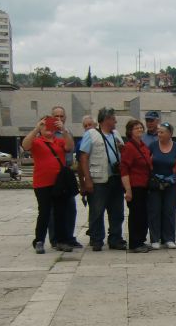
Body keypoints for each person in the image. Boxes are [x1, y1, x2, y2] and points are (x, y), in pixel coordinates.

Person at [22, 110, 75, 254]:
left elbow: (70, 147)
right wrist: (36, 128)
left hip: (59, 183)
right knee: (44, 212)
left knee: (60, 212)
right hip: (42, 183)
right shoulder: (37, 141)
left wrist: (63, 129)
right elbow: (25, 145)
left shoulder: (59, 140)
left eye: (49, 125)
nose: (47, 128)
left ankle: (61, 240)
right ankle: (39, 240)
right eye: (45, 125)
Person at [78, 107, 125, 252]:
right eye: (113, 118)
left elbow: (123, 152)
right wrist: (87, 180)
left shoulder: (116, 134)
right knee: (97, 211)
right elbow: (83, 158)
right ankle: (97, 239)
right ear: (106, 120)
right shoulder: (91, 134)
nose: (115, 121)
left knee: (117, 211)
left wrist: (122, 149)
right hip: (98, 179)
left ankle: (115, 238)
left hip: (115, 178)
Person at [41, 106, 83, 250]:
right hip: (52, 175)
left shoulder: (66, 132)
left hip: (66, 172)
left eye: (61, 116)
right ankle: (55, 239)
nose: (59, 118)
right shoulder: (47, 133)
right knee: (54, 209)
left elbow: (70, 148)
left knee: (70, 208)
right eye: (56, 116)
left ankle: (69, 237)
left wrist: (64, 131)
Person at [147, 122, 176, 249]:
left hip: (171, 184)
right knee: (155, 210)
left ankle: (169, 238)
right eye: (159, 132)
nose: (159, 134)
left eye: (162, 132)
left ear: (170, 134)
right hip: (156, 183)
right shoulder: (152, 146)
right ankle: (155, 238)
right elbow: (147, 163)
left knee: (169, 210)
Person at [119, 119, 153, 253]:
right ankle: (135, 242)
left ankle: (141, 240)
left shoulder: (143, 146)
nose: (139, 130)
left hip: (144, 185)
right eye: (136, 128)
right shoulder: (129, 147)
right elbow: (124, 169)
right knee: (136, 215)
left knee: (143, 215)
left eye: (140, 128)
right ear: (129, 132)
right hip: (135, 186)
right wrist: (128, 190)